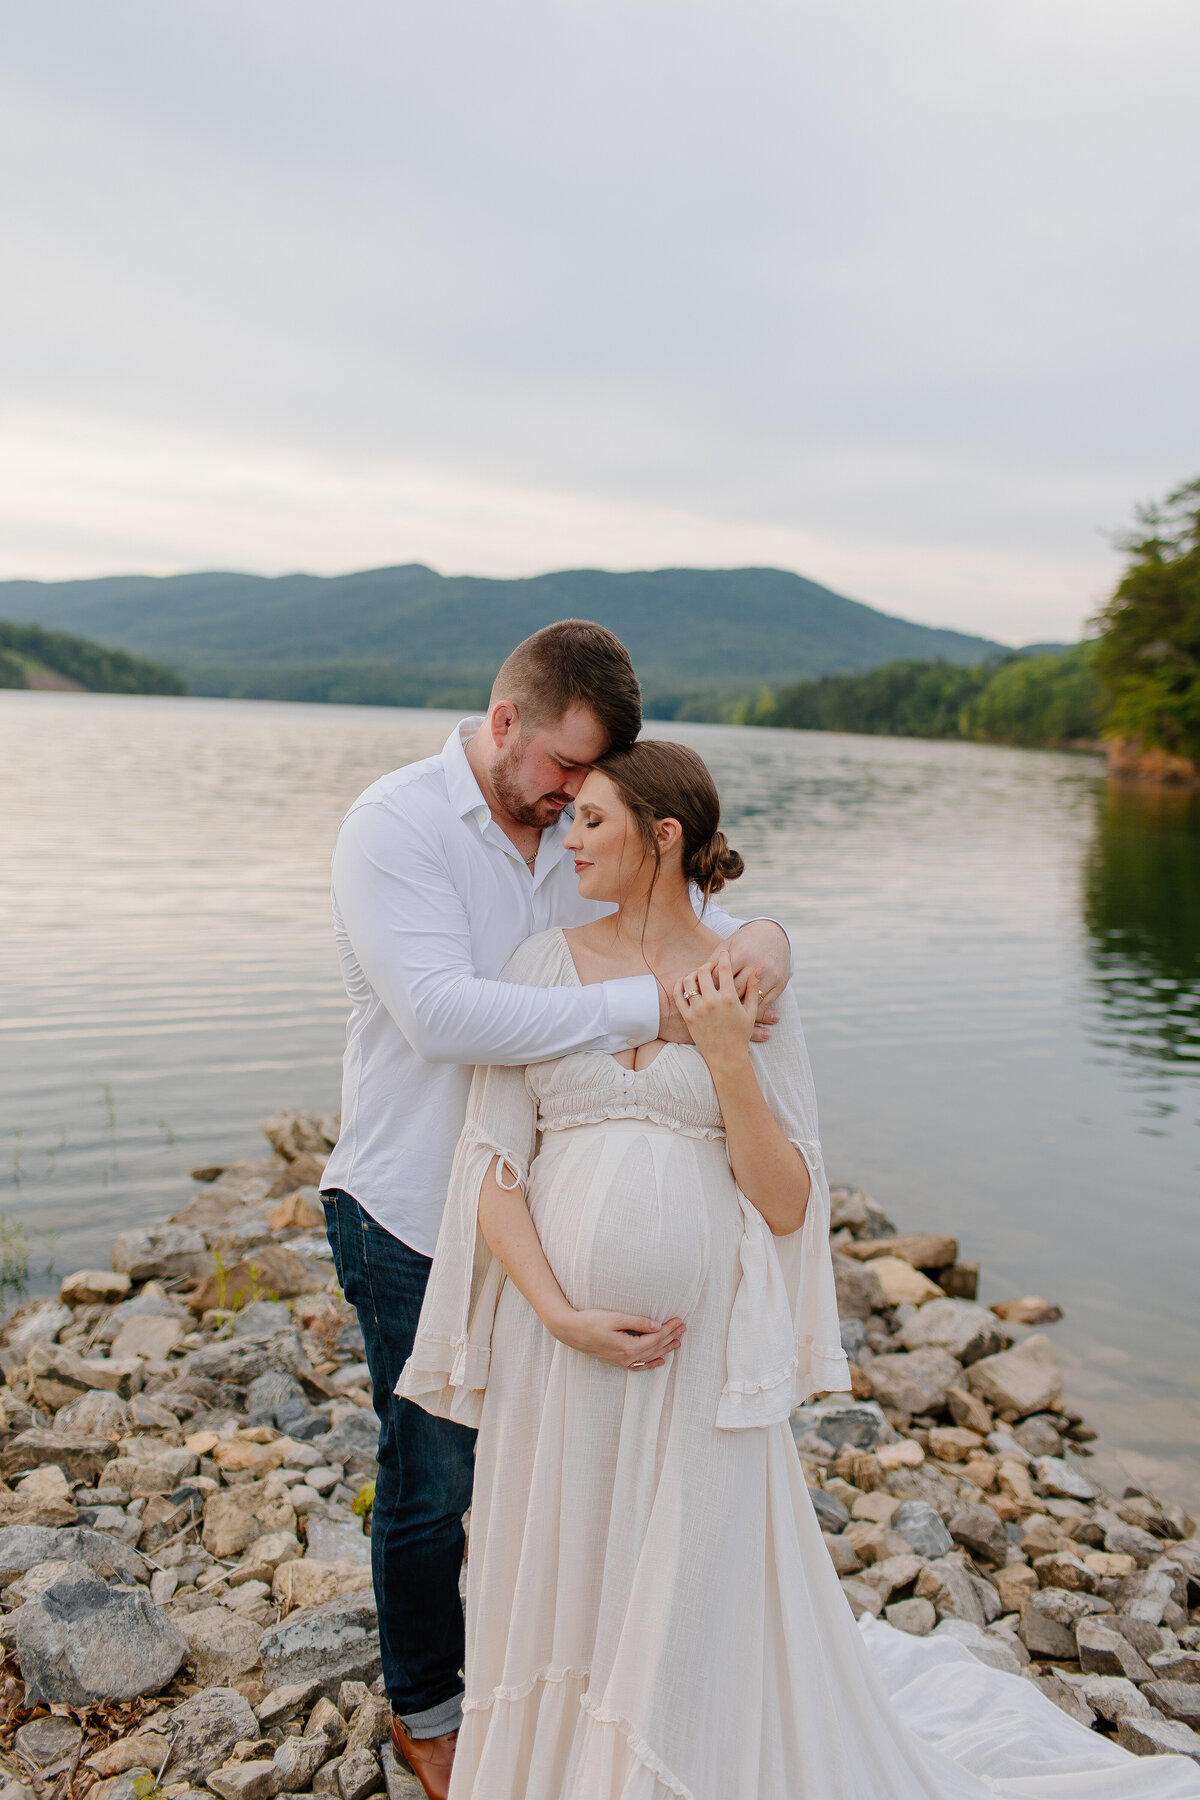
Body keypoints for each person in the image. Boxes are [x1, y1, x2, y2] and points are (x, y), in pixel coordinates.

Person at [400, 739, 1200, 1799]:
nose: (568, 836)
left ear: (663, 834)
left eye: (592, 819)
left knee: (684, 1586)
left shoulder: (748, 980)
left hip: (700, 1362)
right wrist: (555, 1312)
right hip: (557, 1348)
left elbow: (784, 1203)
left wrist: (728, 1053)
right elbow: (493, 1171)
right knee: (558, 1565)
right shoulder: (542, 965)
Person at [319, 621, 791, 1800]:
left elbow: (687, 919)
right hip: (417, 1207)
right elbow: (446, 1016)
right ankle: (431, 1707)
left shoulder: (567, 835)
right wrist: (652, 1012)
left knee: (542, 1478)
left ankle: (569, 1698)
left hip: (531, 1213)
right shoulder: (398, 828)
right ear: (504, 725)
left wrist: (768, 943)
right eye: (562, 772)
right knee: (431, 1481)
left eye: (595, 785)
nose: (574, 800)